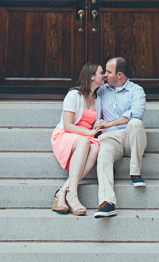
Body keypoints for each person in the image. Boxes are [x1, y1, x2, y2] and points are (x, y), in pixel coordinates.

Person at [92, 56, 147, 218]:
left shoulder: (136, 90)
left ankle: (135, 173)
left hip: (132, 138)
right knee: (103, 154)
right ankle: (107, 202)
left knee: (135, 123)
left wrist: (108, 123)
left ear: (120, 74)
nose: (104, 75)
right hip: (111, 139)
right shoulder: (101, 91)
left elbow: (136, 114)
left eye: (108, 72)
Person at [50, 62, 106, 216]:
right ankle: (73, 194)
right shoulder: (74, 95)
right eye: (101, 73)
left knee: (95, 148)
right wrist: (89, 133)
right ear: (91, 76)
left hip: (85, 137)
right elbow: (68, 125)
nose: (105, 76)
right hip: (66, 134)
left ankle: (63, 192)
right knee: (85, 142)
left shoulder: (98, 99)